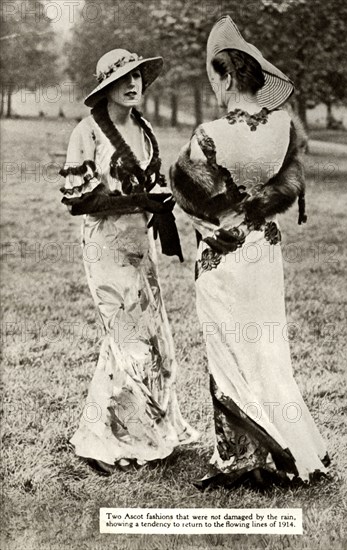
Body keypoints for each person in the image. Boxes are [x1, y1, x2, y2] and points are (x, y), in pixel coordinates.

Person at [170, 16, 330, 489]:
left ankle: (239, 459)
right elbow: (289, 179)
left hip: (224, 255)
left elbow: (185, 191)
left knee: (228, 350)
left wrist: (213, 214)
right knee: (267, 348)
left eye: (214, 79)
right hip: (266, 250)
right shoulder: (283, 126)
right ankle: (285, 448)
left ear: (226, 77)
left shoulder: (208, 135)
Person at [60, 49, 198, 474]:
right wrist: (141, 199)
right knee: (129, 343)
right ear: (106, 88)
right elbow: (79, 199)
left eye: (138, 77)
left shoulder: (145, 128)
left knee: (152, 341)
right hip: (105, 248)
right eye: (123, 79)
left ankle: (132, 431)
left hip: (141, 247)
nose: (133, 84)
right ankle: (110, 441)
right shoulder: (88, 132)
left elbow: (154, 186)